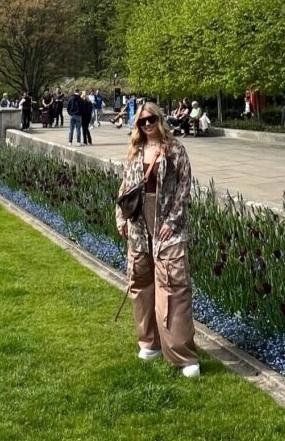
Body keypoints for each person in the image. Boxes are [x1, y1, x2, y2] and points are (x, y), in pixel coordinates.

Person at [116, 101, 200, 378]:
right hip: (139, 225)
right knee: (141, 284)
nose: (147, 125)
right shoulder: (136, 152)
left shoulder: (175, 150)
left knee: (174, 287)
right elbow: (125, 189)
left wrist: (172, 221)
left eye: (151, 119)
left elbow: (184, 189)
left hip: (167, 226)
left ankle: (182, 353)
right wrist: (120, 217)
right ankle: (149, 341)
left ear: (160, 119)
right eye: (142, 122)